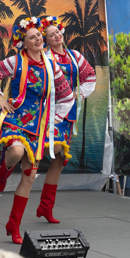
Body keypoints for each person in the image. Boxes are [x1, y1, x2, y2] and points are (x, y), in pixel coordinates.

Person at [0, 17, 74, 244]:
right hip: (16, 119)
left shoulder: (52, 66)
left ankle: (14, 225)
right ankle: (4, 169)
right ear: (23, 42)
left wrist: (55, 120)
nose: (39, 39)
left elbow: (67, 96)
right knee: (15, 152)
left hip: (39, 126)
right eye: (33, 37)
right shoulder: (15, 62)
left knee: (30, 176)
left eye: (39, 35)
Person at [37, 16, 96, 223]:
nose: (57, 35)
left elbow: (89, 76)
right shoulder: (44, 57)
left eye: (58, 31)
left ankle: (46, 207)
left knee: (60, 160)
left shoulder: (75, 56)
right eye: (51, 34)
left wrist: (77, 94)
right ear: (46, 39)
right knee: (41, 150)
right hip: (47, 112)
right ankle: (11, 160)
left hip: (69, 113)